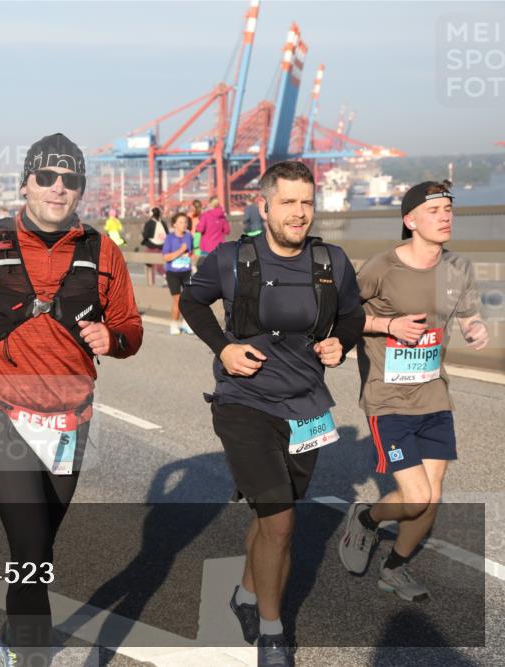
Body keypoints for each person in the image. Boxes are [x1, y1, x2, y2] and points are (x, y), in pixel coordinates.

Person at [0, 133, 142, 666]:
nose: (57, 188)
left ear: (81, 189)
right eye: (46, 177)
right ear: (25, 183)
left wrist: (117, 340)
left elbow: (130, 326)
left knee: (38, 551)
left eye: (70, 180)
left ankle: (14, 636)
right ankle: (33, 655)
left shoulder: (102, 250)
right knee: (30, 545)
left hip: (69, 418)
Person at [180, 161, 365, 666]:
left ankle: (244, 591)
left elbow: (353, 314)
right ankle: (272, 632)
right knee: (281, 523)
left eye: (307, 202)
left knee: (272, 516)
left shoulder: (331, 261)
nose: (299, 213)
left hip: (306, 406)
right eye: (288, 202)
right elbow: (191, 303)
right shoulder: (231, 259)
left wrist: (340, 343)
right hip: (244, 403)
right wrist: (223, 349)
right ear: (263, 206)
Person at [338, 182, 489, 601]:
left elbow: (468, 311)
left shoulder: (458, 267)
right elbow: (344, 317)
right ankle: (367, 519)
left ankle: (395, 569)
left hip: (435, 395)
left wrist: (475, 327)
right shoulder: (381, 268)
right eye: (436, 209)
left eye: (449, 209)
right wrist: (389, 325)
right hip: (388, 398)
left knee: (430, 497)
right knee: (417, 495)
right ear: (410, 221)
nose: (446, 216)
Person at [161, 212, 193, 335]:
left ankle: (186, 323)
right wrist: (180, 251)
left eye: (185, 222)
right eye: (180, 222)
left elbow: (192, 252)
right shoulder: (169, 238)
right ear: (174, 224)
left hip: (187, 271)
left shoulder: (189, 236)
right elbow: (165, 257)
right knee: (178, 300)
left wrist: (192, 261)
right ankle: (174, 324)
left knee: (189, 299)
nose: (184, 224)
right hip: (173, 273)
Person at [195, 196, 232, 266]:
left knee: (206, 269)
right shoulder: (222, 216)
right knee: (217, 269)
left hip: (206, 247)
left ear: (210, 204)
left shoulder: (205, 215)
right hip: (219, 248)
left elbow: (200, 229)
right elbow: (227, 231)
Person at [141, 206, 168, 286]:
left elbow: (146, 235)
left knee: (149, 265)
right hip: (161, 246)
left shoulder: (149, 223)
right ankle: (166, 277)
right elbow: (167, 233)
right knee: (159, 265)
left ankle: (152, 283)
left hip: (151, 246)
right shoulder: (163, 223)